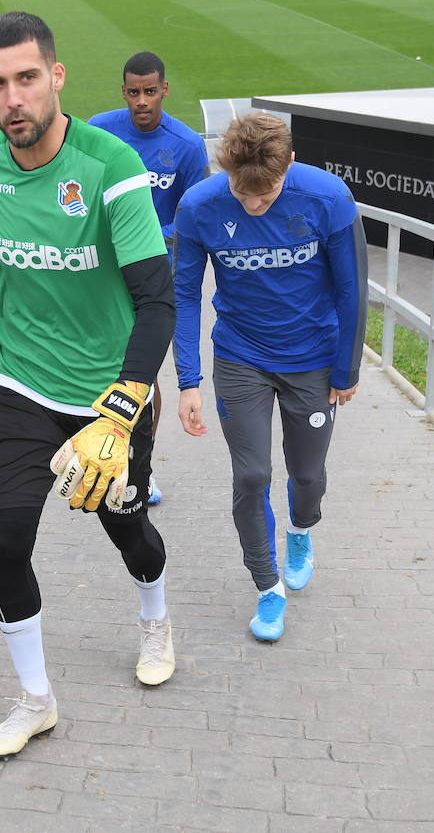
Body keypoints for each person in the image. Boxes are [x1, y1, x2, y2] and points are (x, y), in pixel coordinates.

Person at [0, 11, 177, 757]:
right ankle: (36, 699)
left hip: (109, 397)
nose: (12, 98)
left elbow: (157, 301)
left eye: (26, 78)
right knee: (4, 539)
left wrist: (122, 410)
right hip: (20, 385)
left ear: (56, 77)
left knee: (128, 530)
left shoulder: (110, 167)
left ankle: (154, 617)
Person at [172, 112, 366, 643]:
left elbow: (352, 288)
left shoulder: (328, 198)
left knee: (307, 474)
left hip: (313, 358)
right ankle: (267, 585)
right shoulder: (198, 207)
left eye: (267, 193)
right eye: (242, 192)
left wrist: (346, 368)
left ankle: (301, 530)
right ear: (225, 172)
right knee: (252, 475)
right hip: (241, 357)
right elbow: (184, 295)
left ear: (291, 165)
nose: (254, 204)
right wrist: (188, 380)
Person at [90, 51, 210, 507]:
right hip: (103, 270)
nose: (142, 101)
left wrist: (146, 236)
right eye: (134, 92)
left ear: (165, 90)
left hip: (156, 274)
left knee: (143, 371)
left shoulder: (187, 146)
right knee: (104, 364)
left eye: (151, 91)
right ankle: (100, 453)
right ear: (123, 92)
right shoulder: (99, 130)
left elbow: (196, 213)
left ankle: (142, 467)